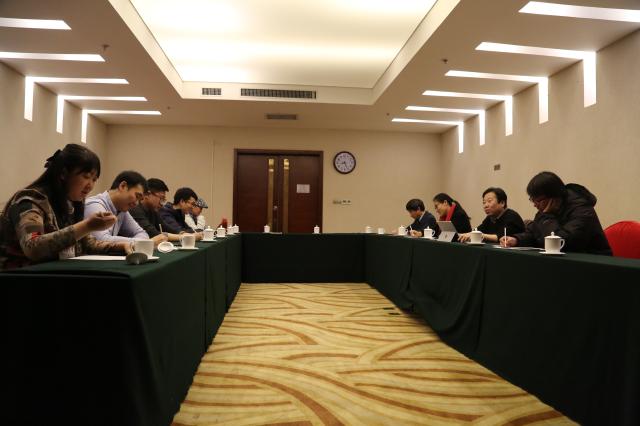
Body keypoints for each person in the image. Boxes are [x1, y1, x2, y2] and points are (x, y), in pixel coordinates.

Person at [0, 144, 130, 270]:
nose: (90, 185)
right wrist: (87, 226)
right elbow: (33, 247)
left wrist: (121, 246)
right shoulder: (30, 200)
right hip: (17, 278)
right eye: (86, 176)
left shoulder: (71, 203)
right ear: (63, 173)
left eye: (94, 179)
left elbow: (88, 244)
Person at [500, 172, 612, 255]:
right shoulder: (545, 212)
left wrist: (547, 217)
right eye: (532, 200)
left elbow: (563, 243)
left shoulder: (582, 210)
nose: (534, 205)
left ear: (553, 197)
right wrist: (516, 240)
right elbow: (534, 234)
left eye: (537, 200)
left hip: (594, 263)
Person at [84, 171, 166, 246]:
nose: (136, 203)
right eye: (137, 196)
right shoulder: (95, 205)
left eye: (139, 200)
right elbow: (100, 240)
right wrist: (145, 242)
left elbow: (142, 233)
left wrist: (142, 242)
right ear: (123, 186)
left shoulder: (122, 209)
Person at [458, 187, 525, 243]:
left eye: (489, 201)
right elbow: (478, 231)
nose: (485, 205)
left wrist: (479, 235)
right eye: (484, 202)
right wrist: (464, 235)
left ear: (502, 203)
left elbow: (501, 237)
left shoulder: (512, 216)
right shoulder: (490, 218)